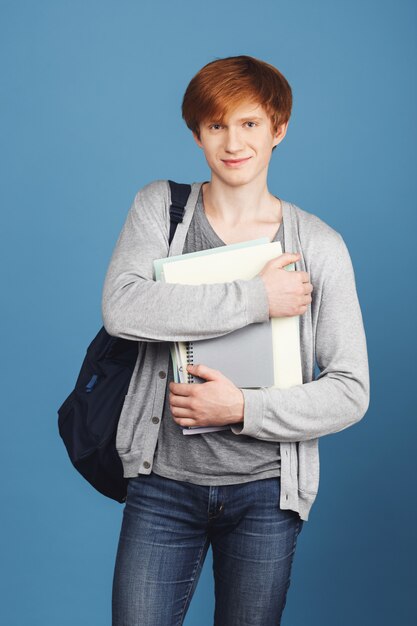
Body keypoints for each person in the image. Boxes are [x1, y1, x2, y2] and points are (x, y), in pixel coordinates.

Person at [102, 55, 370, 626]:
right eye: (216, 125)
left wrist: (243, 408)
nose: (232, 142)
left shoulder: (318, 244)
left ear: (279, 129)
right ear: (197, 133)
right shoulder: (163, 211)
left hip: (267, 496)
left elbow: (350, 390)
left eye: (249, 124)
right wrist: (257, 298)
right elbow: (122, 308)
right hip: (162, 485)